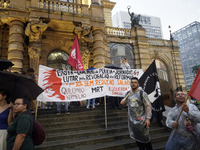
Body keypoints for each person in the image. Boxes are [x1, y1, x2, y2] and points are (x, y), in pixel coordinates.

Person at [120, 77, 153, 150]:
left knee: (146, 139)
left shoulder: (142, 93)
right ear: (130, 84)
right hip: (132, 121)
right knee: (138, 140)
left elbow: (148, 106)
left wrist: (148, 118)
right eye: (132, 82)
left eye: (135, 82)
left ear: (138, 84)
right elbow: (126, 103)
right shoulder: (128, 94)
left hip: (142, 120)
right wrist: (123, 103)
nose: (133, 84)